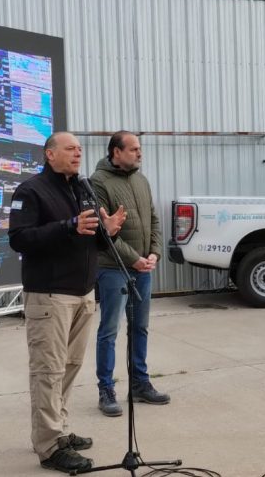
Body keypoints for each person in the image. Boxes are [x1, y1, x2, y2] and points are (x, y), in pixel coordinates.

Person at [7, 131, 126, 473]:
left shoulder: (81, 188)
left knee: (70, 367)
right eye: (70, 149)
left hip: (82, 293)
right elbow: (20, 239)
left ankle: (58, 429)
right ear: (50, 154)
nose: (77, 154)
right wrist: (68, 225)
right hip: (50, 295)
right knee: (48, 371)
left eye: (79, 149)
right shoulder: (31, 191)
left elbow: (90, 241)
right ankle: (48, 446)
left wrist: (108, 230)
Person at [91, 131, 169, 418]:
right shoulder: (97, 182)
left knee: (140, 327)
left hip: (142, 269)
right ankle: (106, 389)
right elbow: (104, 231)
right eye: (134, 149)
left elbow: (153, 218)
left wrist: (154, 253)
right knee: (109, 330)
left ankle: (139, 383)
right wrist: (133, 259)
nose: (140, 153)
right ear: (116, 152)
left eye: (140, 148)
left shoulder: (141, 180)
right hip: (113, 269)